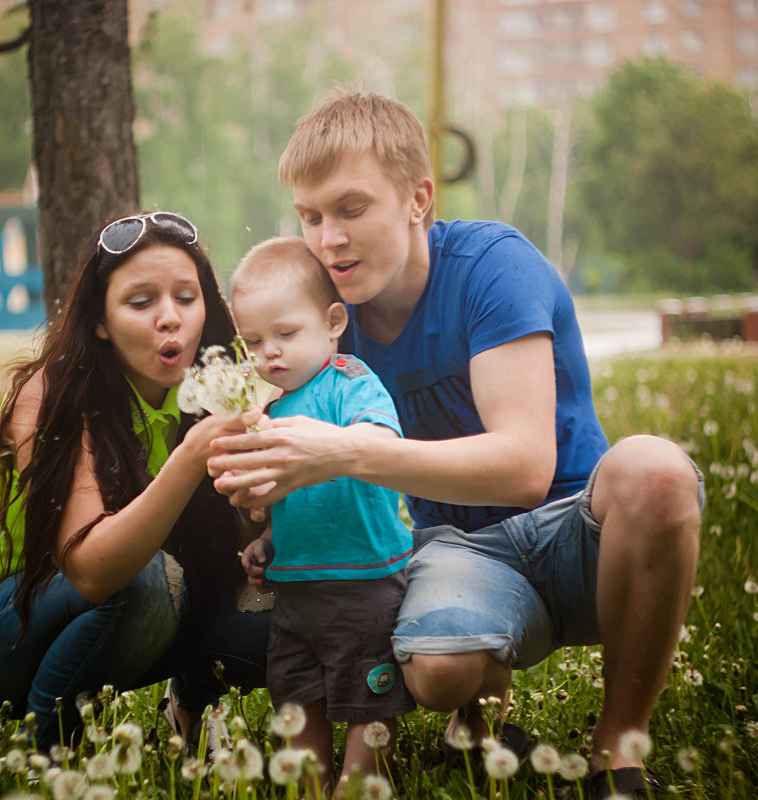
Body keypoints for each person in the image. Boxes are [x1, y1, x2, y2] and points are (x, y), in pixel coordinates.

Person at [210, 92, 704, 799]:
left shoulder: (490, 267)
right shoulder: (320, 326)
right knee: (438, 669)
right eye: (311, 217)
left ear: (418, 199)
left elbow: (525, 470)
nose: (329, 239)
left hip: (575, 536)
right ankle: (475, 720)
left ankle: (618, 754)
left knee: (655, 472)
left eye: (352, 209)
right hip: (447, 547)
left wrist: (342, 452)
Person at [0, 212, 270, 750]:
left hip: (131, 612)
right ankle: (55, 751)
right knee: (146, 580)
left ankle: (191, 702)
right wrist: (189, 459)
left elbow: (233, 556)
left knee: (277, 609)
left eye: (186, 296)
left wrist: (261, 517)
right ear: (100, 321)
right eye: (140, 302)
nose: (169, 318)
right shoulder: (52, 394)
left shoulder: (213, 392)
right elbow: (91, 572)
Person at [230, 237, 414, 794]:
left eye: (286, 334)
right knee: (298, 693)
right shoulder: (269, 410)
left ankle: (357, 785)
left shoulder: (349, 382)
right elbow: (284, 498)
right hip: (297, 590)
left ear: (333, 322)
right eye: (254, 342)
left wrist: (335, 444)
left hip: (363, 580)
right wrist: (266, 536)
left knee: (368, 698)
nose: (270, 354)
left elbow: (378, 442)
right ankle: (310, 785)